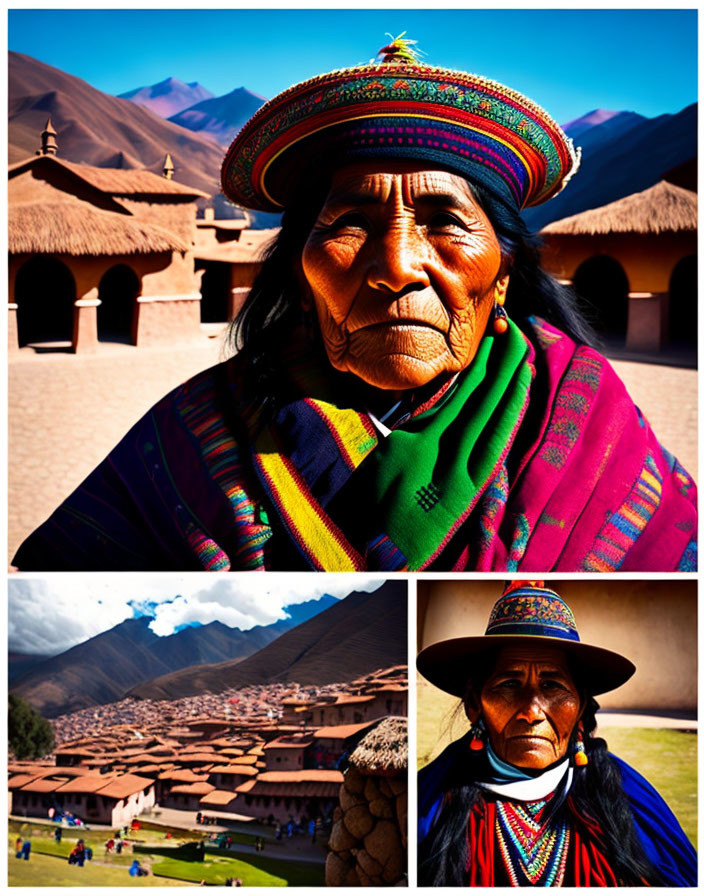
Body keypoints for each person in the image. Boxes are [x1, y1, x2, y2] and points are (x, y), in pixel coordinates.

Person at [12, 36, 696, 573]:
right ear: (298, 271)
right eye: (350, 224)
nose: (396, 266)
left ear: (505, 272)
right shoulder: (196, 431)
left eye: (444, 220)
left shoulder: (588, 426)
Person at [417, 581, 697, 886]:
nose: (532, 711)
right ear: (475, 704)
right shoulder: (429, 804)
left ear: (580, 709)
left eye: (552, 686)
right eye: (509, 684)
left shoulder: (629, 800)